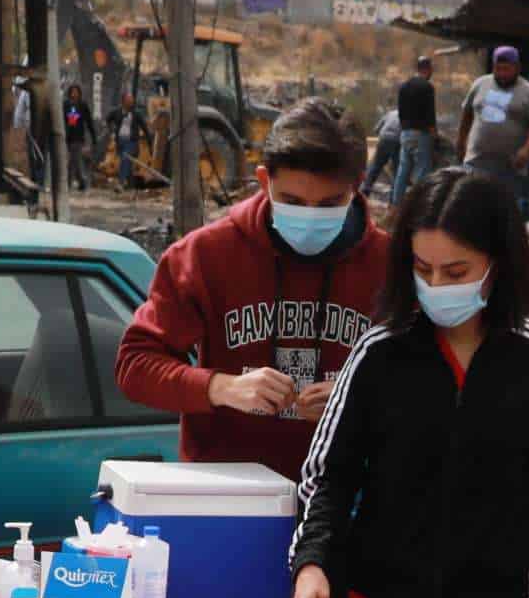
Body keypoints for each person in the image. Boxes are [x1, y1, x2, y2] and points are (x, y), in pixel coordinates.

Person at [287, 167, 529, 598]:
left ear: (498, 265)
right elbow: (328, 476)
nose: (435, 286)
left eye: (455, 273)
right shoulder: (379, 353)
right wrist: (312, 563)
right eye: (422, 269)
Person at [111, 99, 392, 481]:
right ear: (264, 181)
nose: (309, 218)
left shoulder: (390, 265)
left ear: (357, 187)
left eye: (328, 204)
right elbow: (135, 366)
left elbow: (430, 385)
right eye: (292, 201)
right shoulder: (204, 255)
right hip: (230, 495)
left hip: (347, 494)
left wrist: (361, 402)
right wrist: (221, 388)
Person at [454, 44, 529, 214]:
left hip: (509, 168)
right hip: (476, 162)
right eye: (498, 69)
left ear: (517, 68)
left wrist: (527, 149)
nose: (502, 74)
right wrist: (461, 141)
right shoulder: (480, 84)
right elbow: (467, 114)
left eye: (507, 69)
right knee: (472, 209)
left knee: (504, 213)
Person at [384, 51, 441, 209]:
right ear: (428, 69)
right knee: (422, 173)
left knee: (402, 173)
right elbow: (430, 113)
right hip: (421, 134)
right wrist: (434, 134)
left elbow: (401, 112)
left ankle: (395, 206)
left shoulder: (404, 86)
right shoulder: (427, 87)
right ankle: (418, 208)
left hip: (405, 133)